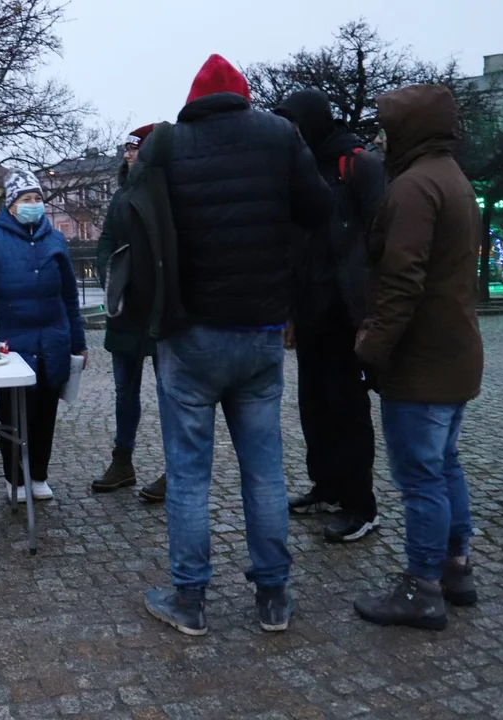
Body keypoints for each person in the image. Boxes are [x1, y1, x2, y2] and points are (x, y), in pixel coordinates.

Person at [138, 55, 333, 636]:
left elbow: (139, 222)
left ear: (194, 99)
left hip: (191, 333)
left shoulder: (169, 144)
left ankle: (190, 601)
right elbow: (320, 209)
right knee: (266, 471)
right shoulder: (278, 134)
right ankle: (273, 596)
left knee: (190, 473)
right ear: (244, 96)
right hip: (261, 332)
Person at [352, 85, 484, 631]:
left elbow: (401, 281)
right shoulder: (453, 179)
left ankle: (422, 588)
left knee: (421, 476)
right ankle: (456, 569)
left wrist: (370, 349)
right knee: (445, 465)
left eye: (389, 127)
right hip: (455, 351)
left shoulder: (413, 187)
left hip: (422, 359)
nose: (382, 138)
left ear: (411, 129)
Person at [273, 89, 387, 543]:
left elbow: (379, 240)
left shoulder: (357, 163)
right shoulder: (298, 165)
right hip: (311, 306)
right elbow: (294, 241)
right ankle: (326, 487)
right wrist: (291, 311)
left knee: (348, 409)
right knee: (314, 406)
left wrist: (369, 311)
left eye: (295, 122)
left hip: (346, 310)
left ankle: (361, 504)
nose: (291, 130)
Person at [0, 169, 87, 503]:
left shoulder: (55, 240)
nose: (33, 204)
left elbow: (70, 297)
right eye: (26, 199)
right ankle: (14, 479)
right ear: (11, 205)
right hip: (11, 346)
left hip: (52, 342)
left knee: (45, 414)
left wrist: (78, 342)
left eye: (37, 199)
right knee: (13, 416)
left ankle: (39, 475)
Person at [92, 124, 167, 503]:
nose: (128, 155)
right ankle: (123, 462)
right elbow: (106, 240)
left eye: (135, 150)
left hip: (158, 309)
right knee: (125, 392)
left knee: (171, 393)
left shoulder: (167, 193)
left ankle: (176, 468)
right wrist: (112, 272)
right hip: (124, 310)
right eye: (126, 149)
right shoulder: (121, 195)